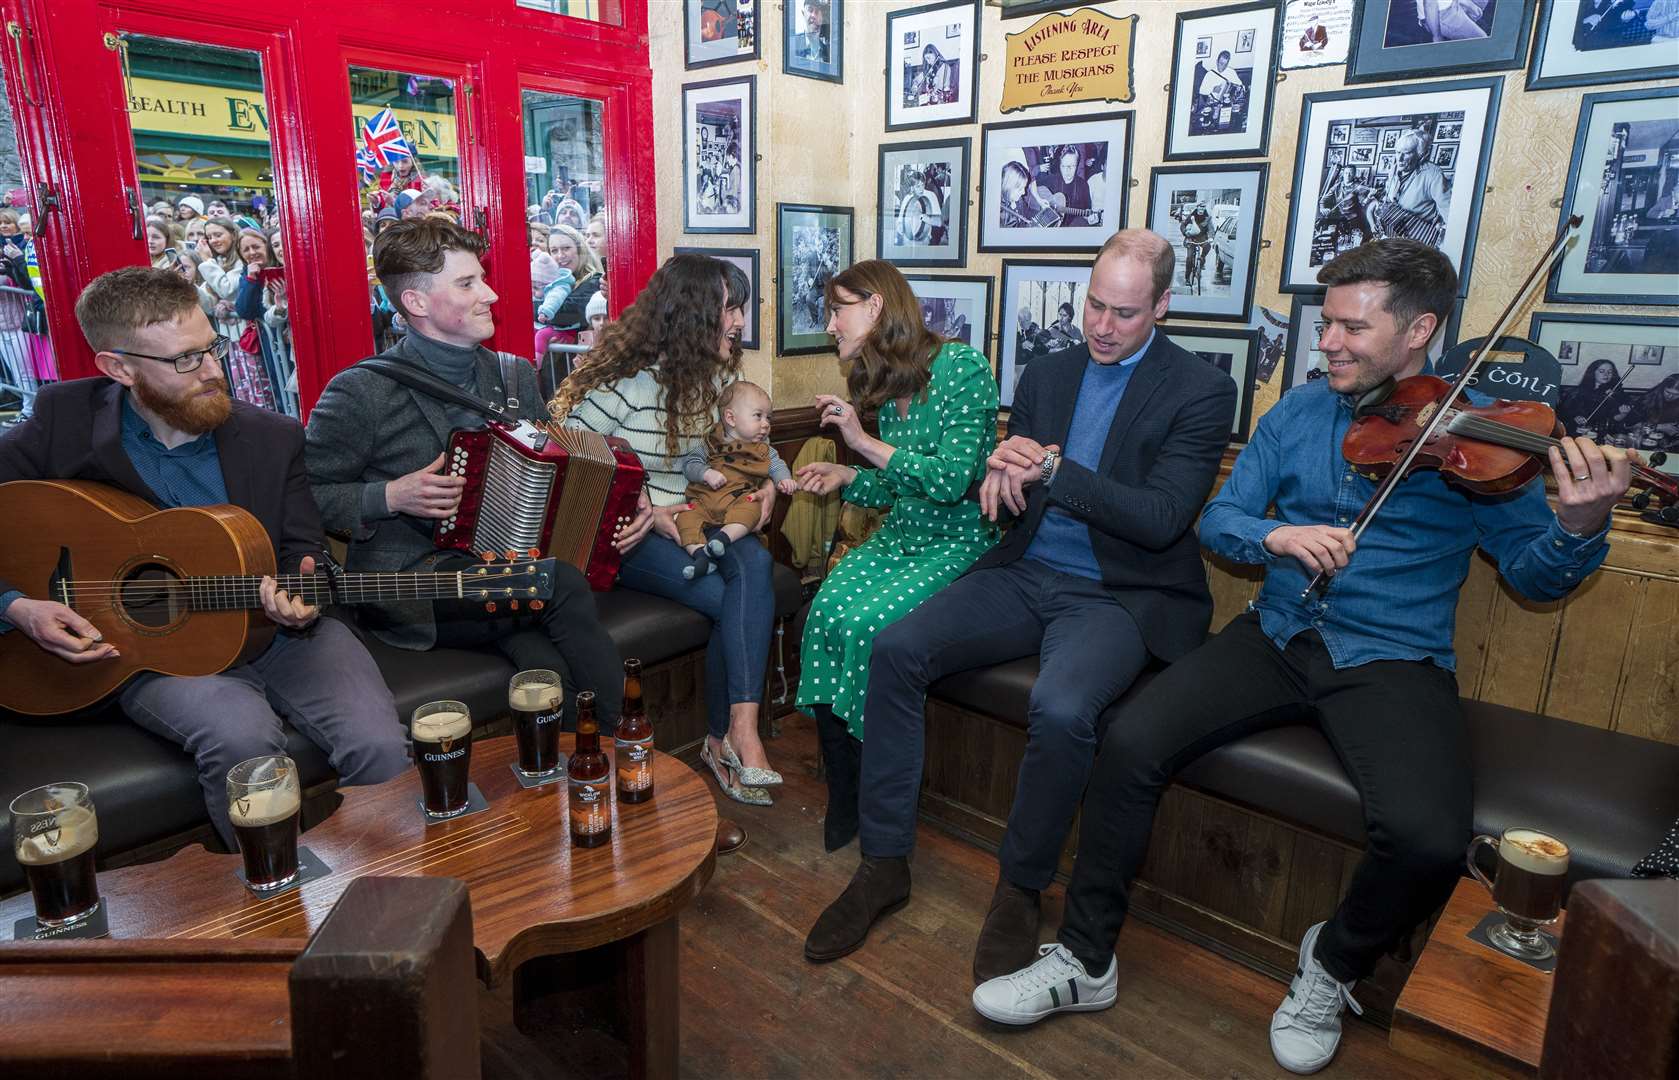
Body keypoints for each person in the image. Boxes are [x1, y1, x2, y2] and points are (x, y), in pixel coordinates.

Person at [970, 239, 1637, 1076]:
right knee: (1128, 740)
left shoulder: (1480, 443)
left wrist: (1577, 527)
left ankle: (1331, 965)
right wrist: (1274, 534)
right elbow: (1219, 523)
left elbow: (1535, 578)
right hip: (1275, 634)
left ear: (1418, 330)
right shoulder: (1297, 413)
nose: (1327, 344)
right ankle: (1084, 959)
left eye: (1352, 329)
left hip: (1391, 657)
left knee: (1430, 837)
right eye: (1327, 324)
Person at [804, 232, 1236, 978]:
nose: (1101, 325)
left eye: (1124, 313)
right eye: (1093, 304)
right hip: (1025, 569)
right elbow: (1007, 503)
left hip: (1116, 595)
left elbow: (1162, 518)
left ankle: (1019, 889)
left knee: (1064, 709)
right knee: (897, 648)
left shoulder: (1200, 389)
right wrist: (997, 481)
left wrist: (1052, 470)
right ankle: (883, 864)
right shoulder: (1049, 371)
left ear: (1162, 306)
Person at [0, 267, 408, 846]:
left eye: (211, 347)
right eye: (184, 361)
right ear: (119, 368)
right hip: (143, 649)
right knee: (242, 743)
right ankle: (274, 907)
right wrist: (16, 606)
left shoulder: (273, 436)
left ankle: (397, 895)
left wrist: (301, 592)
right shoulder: (61, 420)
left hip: (278, 634)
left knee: (381, 745)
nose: (214, 371)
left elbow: (300, 548)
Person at [304, 217, 627, 732]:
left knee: (548, 664)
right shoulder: (360, 391)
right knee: (560, 585)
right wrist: (388, 496)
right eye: (467, 283)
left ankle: (573, 777)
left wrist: (618, 510)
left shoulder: (513, 373)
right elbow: (306, 497)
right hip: (416, 585)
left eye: (483, 278)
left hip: (496, 575)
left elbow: (556, 469)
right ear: (416, 303)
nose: (491, 294)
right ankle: (631, 742)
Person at [791, 258, 1001, 858]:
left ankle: (872, 795)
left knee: (864, 625)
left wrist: (860, 443)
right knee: (824, 610)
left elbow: (953, 481)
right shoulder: (883, 381)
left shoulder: (961, 368)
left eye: (838, 309)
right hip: (900, 538)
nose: (830, 325)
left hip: (957, 544)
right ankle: (844, 785)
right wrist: (845, 476)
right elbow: (893, 486)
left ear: (875, 306)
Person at [553, 252, 781, 803]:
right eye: (732, 308)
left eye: (742, 309)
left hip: (706, 519)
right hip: (637, 539)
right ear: (694, 313)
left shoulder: (723, 377)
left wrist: (768, 485)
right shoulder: (624, 384)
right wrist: (650, 511)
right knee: (743, 587)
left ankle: (735, 732)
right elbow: (564, 456)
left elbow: (743, 449)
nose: (740, 323)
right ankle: (727, 736)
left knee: (754, 562)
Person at [674, 381, 798, 580]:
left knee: (752, 509)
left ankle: (722, 540)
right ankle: (701, 557)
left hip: (737, 501)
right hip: (703, 502)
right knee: (684, 518)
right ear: (730, 418)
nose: (766, 424)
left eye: (768, 418)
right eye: (758, 416)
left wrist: (784, 480)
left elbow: (777, 466)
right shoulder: (711, 443)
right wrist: (706, 473)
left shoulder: (764, 450)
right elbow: (690, 464)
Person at [545, 223, 605, 333]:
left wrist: (528, 307)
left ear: (580, 250)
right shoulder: (552, 283)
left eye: (566, 248)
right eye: (554, 250)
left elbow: (564, 315)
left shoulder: (594, 281)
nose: (560, 255)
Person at [1560, 358, 1630, 437]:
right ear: (1593, 372)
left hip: (1602, 434)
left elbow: (1613, 421)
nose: (1606, 375)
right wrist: (1575, 417)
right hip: (1579, 432)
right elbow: (1564, 414)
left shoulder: (1616, 393)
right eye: (1601, 371)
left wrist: (1624, 414)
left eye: (1610, 372)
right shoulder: (1578, 392)